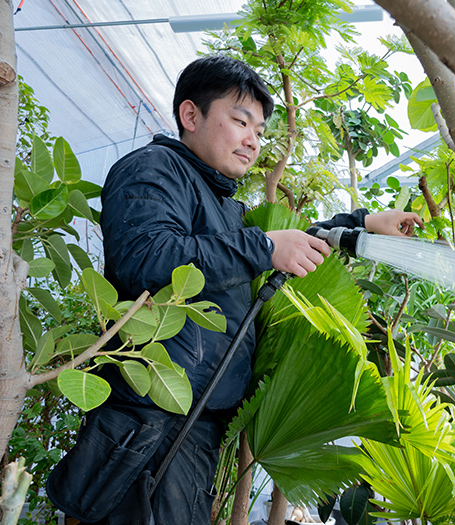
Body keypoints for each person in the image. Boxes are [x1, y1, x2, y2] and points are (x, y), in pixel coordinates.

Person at [47, 54, 422, 525]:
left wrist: (362, 223)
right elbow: (148, 260)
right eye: (241, 121)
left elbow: (274, 239)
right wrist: (262, 247)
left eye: (261, 131)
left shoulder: (220, 202)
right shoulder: (153, 170)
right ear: (191, 115)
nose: (253, 140)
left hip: (194, 426)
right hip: (147, 425)